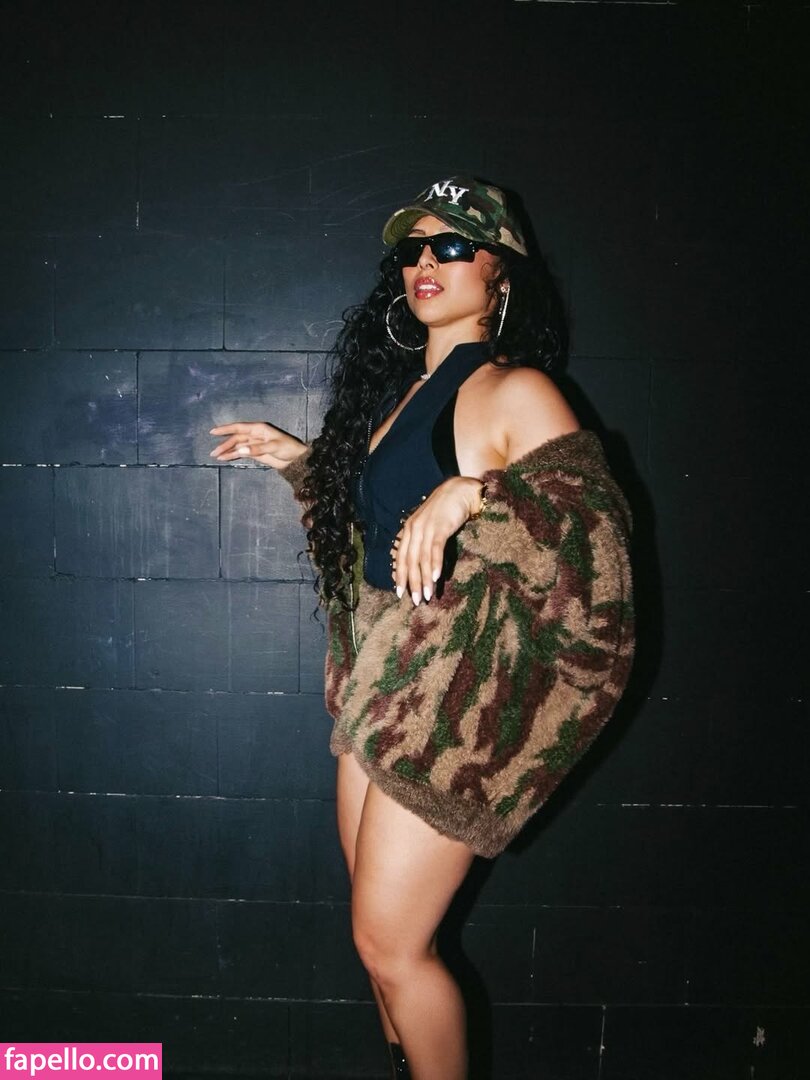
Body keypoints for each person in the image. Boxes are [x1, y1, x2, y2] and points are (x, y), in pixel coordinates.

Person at [208, 175, 635, 1080]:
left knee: (394, 946)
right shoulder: (408, 395)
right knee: (377, 950)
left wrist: (474, 494)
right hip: (380, 691)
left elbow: (593, 549)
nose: (424, 263)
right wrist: (303, 464)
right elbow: (381, 542)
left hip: (452, 706)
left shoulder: (517, 390)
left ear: (499, 271)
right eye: (412, 250)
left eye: (451, 245)